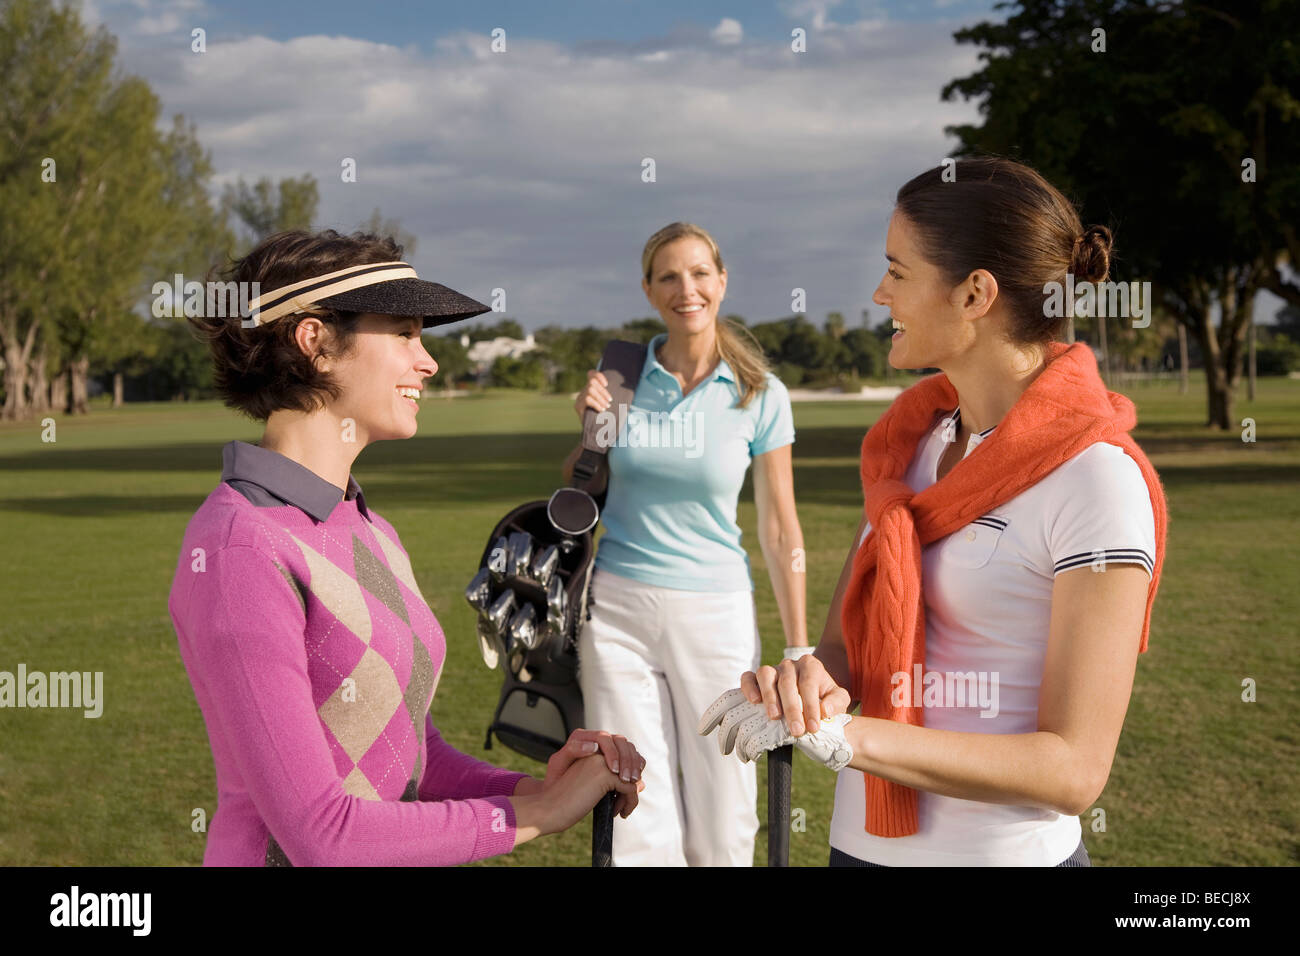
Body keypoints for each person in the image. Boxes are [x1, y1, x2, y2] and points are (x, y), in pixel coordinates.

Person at [701, 158, 1168, 866]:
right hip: (858, 850)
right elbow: (844, 654)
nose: (879, 292)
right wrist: (802, 689)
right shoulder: (905, 449)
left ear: (975, 293)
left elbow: (1074, 771)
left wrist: (853, 739)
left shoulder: (1095, 482)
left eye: (898, 270)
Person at [169, 229, 644, 866]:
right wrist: (532, 815)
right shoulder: (240, 549)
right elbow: (320, 836)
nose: (428, 361)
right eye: (403, 333)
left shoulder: (367, 528)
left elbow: (411, 756)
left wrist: (539, 787)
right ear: (315, 343)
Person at [563, 222, 808, 866]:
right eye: (668, 276)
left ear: (721, 282)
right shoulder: (619, 375)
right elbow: (580, 492)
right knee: (632, 799)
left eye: (699, 273)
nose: (686, 288)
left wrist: (800, 645)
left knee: (724, 810)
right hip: (616, 610)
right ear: (648, 290)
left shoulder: (760, 393)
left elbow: (781, 526)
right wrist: (591, 428)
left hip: (715, 612)